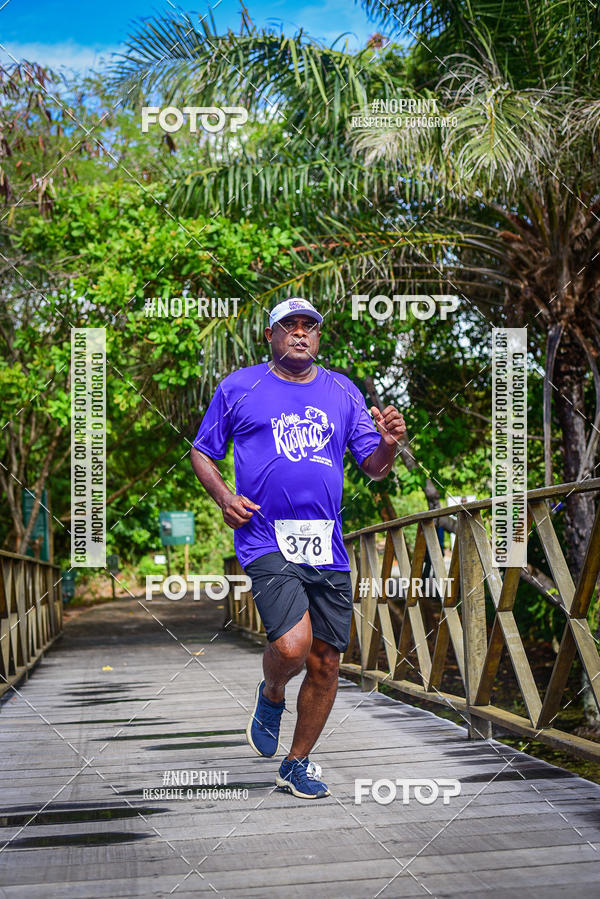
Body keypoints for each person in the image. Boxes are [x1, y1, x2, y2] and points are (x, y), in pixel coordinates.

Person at [190, 297, 406, 799]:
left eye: (310, 325)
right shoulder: (240, 387)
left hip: (326, 544)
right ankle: (272, 692)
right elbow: (202, 451)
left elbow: (374, 467)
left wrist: (389, 444)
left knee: (327, 661)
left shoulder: (342, 390)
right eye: (290, 325)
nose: (301, 332)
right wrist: (225, 498)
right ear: (271, 335)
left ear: (318, 336)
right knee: (293, 646)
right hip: (265, 535)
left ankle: (296, 763)